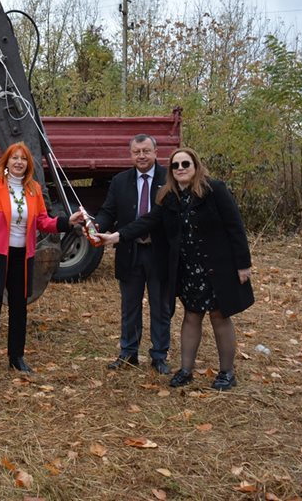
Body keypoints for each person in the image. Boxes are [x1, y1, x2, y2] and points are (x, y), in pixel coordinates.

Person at [97, 147, 254, 390]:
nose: (180, 169)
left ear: (195, 166)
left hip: (217, 267)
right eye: (175, 165)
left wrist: (243, 264)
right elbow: (147, 221)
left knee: (219, 316)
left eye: (185, 164)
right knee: (191, 316)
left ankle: (226, 373)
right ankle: (186, 370)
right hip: (189, 269)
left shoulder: (215, 190)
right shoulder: (169, 197)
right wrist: (117, 236)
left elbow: (235, 227)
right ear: (170, 170)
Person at [0, 142, 83, 375]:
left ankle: (16, 357)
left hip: (22, 256)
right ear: (6, 161)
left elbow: (43, 222)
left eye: (24, 159)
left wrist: (66, 222)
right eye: (14, 158)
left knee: (19, 309)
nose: (19, 162)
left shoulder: (34, 189)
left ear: (29, 164)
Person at [94, 134, 171, 375]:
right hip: (130, 252)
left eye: (146, 151)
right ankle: (128, 353)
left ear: (156, 152)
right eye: (136, 152)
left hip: (160, 253)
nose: (141, 156)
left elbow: (159, 216)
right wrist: (97, 225)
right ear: (130, 155)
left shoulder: (169, 178)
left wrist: (119, 234)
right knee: (129, 306)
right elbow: (108, 211)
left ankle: (159, 356)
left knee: (160, 307)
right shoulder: (120, 181)